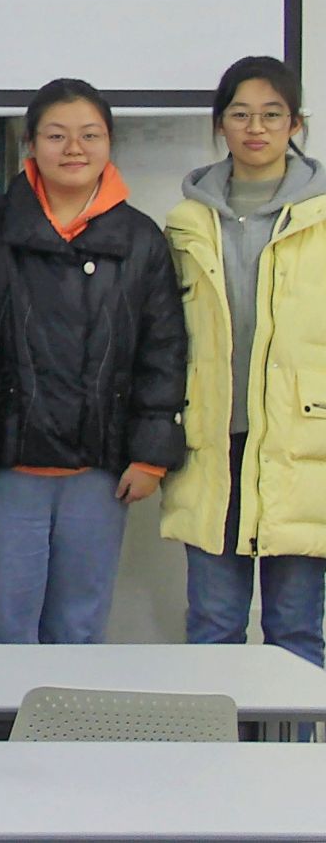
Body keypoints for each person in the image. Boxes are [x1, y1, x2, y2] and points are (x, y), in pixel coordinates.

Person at [0, 78, 185, 644]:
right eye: (56, 136)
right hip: (5, 471)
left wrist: (151, 454)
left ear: (109, 143)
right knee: (6, 632)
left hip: (100, 472)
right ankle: (3, 712)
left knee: (79, 630)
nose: (74, 149)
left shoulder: (140, 238)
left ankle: (66, 712)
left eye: (90, 135)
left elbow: (164, 350)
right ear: (31, 144)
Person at [163, 56, 326, 667]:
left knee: (296, 630)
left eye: (272, 115)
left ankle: (298, 738)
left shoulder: (321, 216)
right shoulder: (186, 221)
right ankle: (218, 736)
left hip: (301, 445)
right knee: (213, 626)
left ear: (295, 125)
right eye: (240, 115)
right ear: (220, 124)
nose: (255, 129)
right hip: (214, 441)